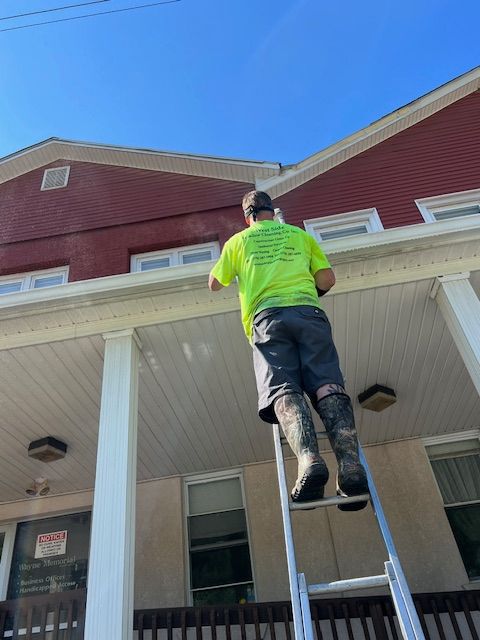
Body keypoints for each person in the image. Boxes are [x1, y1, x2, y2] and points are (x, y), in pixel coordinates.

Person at [208, 190, 368, 510]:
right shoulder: (299, 235)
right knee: (327, 384)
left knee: (283, 387)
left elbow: (214, 283)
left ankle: (309, 461)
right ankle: (350, 464)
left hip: (267, 318)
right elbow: (327, 278)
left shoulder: (238, 242)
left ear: (247, 217)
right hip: (310, 313)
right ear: (271, 212)